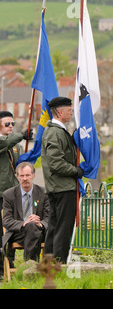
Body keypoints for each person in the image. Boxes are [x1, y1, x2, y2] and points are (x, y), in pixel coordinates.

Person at [41, 96, 83, 263]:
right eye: (69, 109)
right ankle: (58, 263)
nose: (72, 111)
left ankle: (49, 263)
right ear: (59, 112)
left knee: (55, 227)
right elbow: (56, 163)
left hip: (59, 186)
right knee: (63, 228)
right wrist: (75, 171)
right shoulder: (54, 132)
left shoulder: (58, 131)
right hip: (62, 187)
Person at [0, 110, 33, 275]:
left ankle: (10, 263)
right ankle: (1, 270)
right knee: (1, 232)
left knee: (13, 229)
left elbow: (20, 163)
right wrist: (22, 134)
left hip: (14, 194)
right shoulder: (4, 142)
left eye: (12, 123)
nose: (11, 126)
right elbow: (5, 142)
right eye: (7, 124)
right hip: (1, 194)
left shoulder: (15, 146)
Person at [2, 162, 49, 265]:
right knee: (30, 227)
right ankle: (31, 267)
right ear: (17, 177)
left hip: (38, 231)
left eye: (28, 175)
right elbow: (6, 220)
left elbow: (49, 218)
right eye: (22, 176)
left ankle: (29, 266)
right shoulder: (9, 195)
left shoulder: (43, 193)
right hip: (18, 233)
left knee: (33, 227)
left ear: (33, 175)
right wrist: (23, 224)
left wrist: (40, 224)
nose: (25, 178)